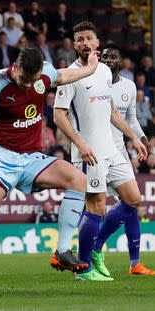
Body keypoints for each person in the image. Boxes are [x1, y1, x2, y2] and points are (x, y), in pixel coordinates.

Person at [0, 46, 100, 296]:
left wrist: (90, 68)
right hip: (0, 158)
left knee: (78, 179)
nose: (30, 86)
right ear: (15, 68)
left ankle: (62, 251)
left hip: (31, 158)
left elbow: (63, 75)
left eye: (35, 81)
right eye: (26, 80)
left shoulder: (43, 75)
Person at [53, 22, 148, 281]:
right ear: (74, 45)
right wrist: (79, 144)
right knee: (96, 208)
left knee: (133, 200)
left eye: (89, 38)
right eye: (80, 39)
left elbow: (112, 111)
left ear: (97, 43)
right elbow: (59, 116)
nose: (85, 43)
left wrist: (133, 138)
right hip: (88, 153)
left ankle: (94, 249)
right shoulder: (70, 75)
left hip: (112, 150)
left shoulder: (105, 70)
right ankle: (83, 268)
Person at [86, 44, 154, 276]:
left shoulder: (129, 87)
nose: (109, 60)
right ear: (100, 59)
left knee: (133, 203)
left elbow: (131, 119)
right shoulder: (90, 81)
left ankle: (134, 263)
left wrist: (143, 140)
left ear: (120, 61)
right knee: (91, 206)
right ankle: (87, 251)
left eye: (114, 57)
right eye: (105, 57)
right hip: (94, 153)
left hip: (119, 154)